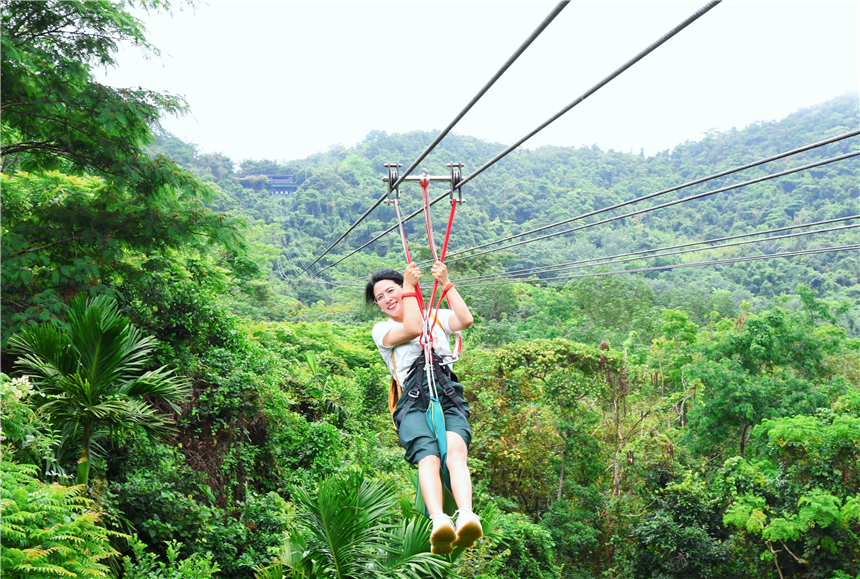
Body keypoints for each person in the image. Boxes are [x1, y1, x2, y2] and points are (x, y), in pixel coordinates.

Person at [366, 260, 482, 555]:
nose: (387, 299)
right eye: (380, 298)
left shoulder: (436, 317)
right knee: (428, 456)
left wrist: (445, 283)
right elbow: (414, 327)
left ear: (405, 289)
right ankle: (439, 520)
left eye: (391, 291)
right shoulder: (382, 330)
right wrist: (408, 286)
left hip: (447, 393)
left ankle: (466, 514)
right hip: (413, 400)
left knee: (456, 453)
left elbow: (465, 319)